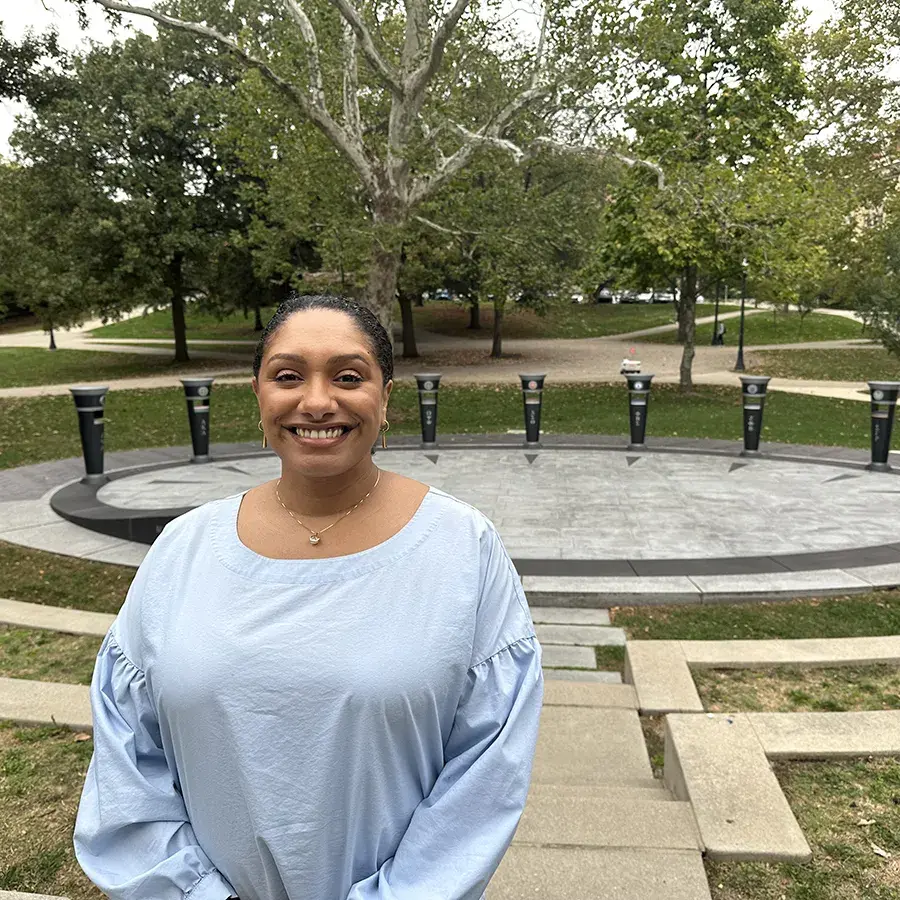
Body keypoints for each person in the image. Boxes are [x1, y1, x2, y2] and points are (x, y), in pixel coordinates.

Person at [73, 294, 544, 900]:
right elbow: (127, 757)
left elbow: (485, 773)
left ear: (386, 398)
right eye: (288, 376)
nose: (317, 401)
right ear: (259, 396)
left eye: (349, 376)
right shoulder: (182, 550)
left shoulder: (462, 548)